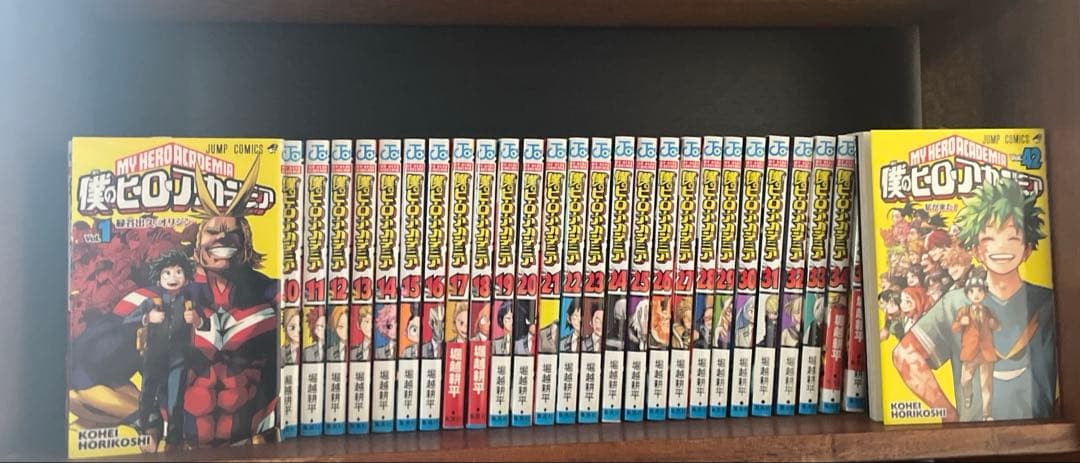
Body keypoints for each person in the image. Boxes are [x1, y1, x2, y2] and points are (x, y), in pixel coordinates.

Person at [894, 178, 1056, 421]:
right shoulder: (953, 304)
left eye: (1012, 237)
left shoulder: (1050, 302)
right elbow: (905, 355)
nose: (1001, 247)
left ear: (1028, 248)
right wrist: (948, 414)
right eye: (989, 238)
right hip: (972, 438)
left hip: (1045, 437)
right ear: (977, 250)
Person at [182, 159, 279, 447]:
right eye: (212, 232)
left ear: (245, 244)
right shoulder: (178, 293)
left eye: (231, 233)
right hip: (183, 443)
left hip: (255, 436)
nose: (222, 237)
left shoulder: (271, 291)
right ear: (197, 247)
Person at [120, 249, 195, 451]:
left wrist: (196, 319)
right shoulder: (150, 303)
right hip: (153, 359)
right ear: (159, 278)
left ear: (186, 278)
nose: (173, 277)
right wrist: (147, 318)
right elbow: (127, 321)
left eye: (178, 272)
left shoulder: (188, 303)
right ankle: (144, 428)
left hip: (178, 361)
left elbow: (205, 323)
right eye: (167, 273)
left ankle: (174, 441)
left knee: (175, 402)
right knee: (147, 396)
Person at [950, 269, 999, 420]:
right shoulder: (964, 311)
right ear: (967, 294)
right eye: (972, 291)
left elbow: (998, 326)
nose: (976, 294)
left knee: (986, 385)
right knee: (965, 381)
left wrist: (993, 324)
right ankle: (968, 395)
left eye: (980, 291)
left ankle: (986, 414)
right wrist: (960, 323)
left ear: (985, 293)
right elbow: (954, 328)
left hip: (986, 353)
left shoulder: (988, 311)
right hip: (970, 353)